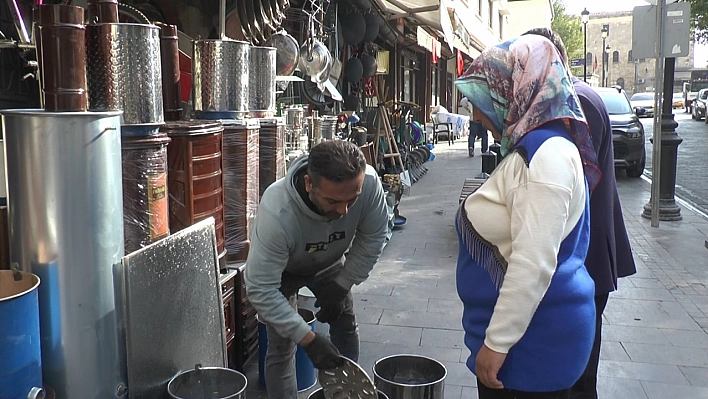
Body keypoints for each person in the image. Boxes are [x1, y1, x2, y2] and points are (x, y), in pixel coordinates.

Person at [454, 34, 602, 398]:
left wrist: (497, 344)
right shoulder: (536, 147)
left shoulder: (546, 155)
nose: (475, 113)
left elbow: (533, 261)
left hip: (531, 350)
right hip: (526, 343)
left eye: (483, 97)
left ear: (516, 87)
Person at [523, 27, 637, 399]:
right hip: (580, 257)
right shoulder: (568, 97)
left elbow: (564, 191)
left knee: (577, 375)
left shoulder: (574, 101)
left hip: (583, 259)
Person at [244, 140, 389, 399]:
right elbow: (261, 288)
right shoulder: (277, 212)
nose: (343, 211)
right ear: (309, 184)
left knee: (345, 322)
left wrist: (343, 284)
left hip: (330, 262)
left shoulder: (368, 185)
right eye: (333, 201)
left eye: (351, 200)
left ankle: (348, 391)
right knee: (282, 347)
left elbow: (374, 238)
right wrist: (308, 339)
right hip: (283, 272)